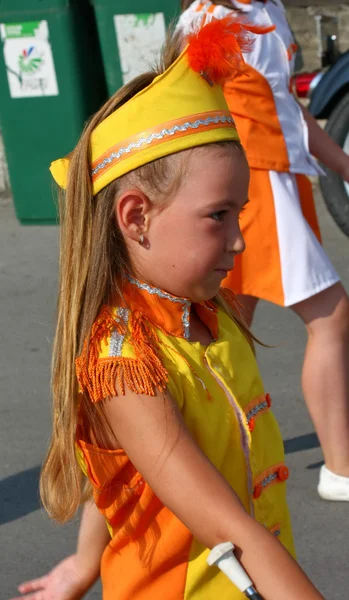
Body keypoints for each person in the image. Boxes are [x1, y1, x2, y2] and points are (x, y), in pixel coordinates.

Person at [12, 17, 325, 600]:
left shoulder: (210, 309)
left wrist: (85, 562)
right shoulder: (127, 364)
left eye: (241, 211)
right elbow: (232, 532)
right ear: (135, 218)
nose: (240, 238)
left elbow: (130, 466)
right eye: (218, 215)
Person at [178, 0, 349, 502]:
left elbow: (286, 106)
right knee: (330, 316)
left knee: (229, 325)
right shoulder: (208, 18)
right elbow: (187, 107)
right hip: (253, 186)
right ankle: (339, 466)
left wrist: (342, 163)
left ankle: (215, 454)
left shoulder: (266, 7)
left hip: (282, 183)